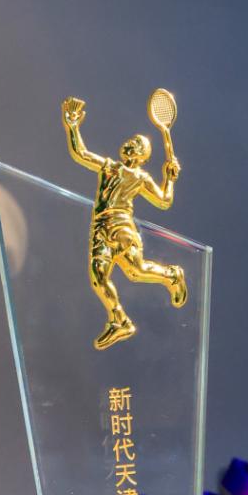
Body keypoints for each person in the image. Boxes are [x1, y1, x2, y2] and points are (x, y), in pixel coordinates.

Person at [62, 97, 188, 350]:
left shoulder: (141, 178)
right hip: (100, 228)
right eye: (131, 141)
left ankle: (172, 275)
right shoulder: (109, 167)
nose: (130, 144)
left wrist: (169, 179)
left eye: (137, 144)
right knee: (99, 278)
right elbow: (80, 153)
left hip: (121, 227)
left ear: (142, 156)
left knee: (135, 271)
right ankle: (119, 319)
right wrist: (72, 127)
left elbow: (164, 201)